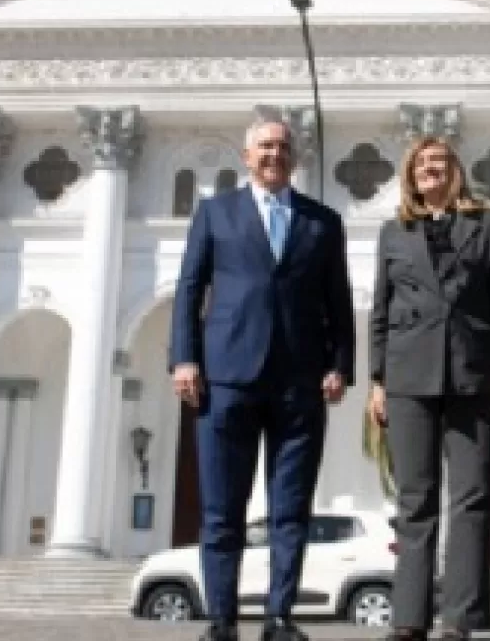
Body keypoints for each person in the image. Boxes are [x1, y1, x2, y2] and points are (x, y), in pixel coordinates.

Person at [169, 118, 355, 641]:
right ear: (247, 157)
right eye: (265, 147)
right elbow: (190, 289)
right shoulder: (215, 213)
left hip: (299, 380)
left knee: (290, 508)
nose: (274, 154)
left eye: (283, 147)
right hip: (226, 377)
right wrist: (184, 359)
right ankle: (223, 619)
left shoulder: (322, 221)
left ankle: (279, 616)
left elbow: (337, 302)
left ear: (294, 158)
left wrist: (341, 364)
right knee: (221, 507)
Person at [367, 136, 490, 641]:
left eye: (439, 163)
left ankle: (460, 617)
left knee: (472, 495)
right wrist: (377, 380)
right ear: (411, 176)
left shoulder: (488, 227)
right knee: (415, 498)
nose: (431, 171)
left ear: (455, 171)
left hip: (472, 372)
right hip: (408, 375)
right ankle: (409, 617)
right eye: (422, 165)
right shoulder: (395, 233)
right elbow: (381, 310)